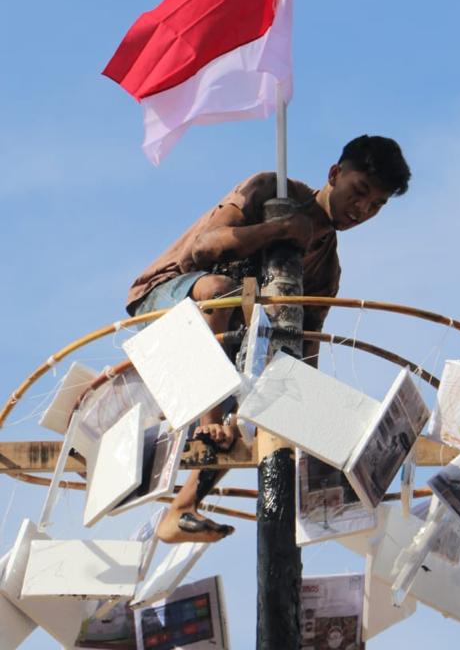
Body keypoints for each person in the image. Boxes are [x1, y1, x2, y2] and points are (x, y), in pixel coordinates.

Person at [126, 135, 411, 543]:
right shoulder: (271, 190)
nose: (362, 209)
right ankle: (209, 423)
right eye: (359, 191)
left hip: (223, 345)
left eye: (376, 205)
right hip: (168, 300)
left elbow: (306, 347)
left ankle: (183, 507)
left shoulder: (326, 267)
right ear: (335, 174)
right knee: (222, 291)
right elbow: (203, 249)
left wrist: (301, 412)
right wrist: (278, 229)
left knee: (263, 399)